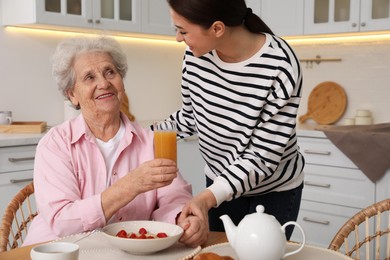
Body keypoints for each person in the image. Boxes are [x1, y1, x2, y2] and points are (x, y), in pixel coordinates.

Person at [23, 36, 207, 247]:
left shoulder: (150, 141)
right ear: (72, 95)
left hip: (124, 252)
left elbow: (173, 197)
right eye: (89, 77)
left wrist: (183, 220)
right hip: (59, 252)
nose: (104, 83)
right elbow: (62, 222)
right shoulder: (55, 144)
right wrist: (130, 186)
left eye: (110, 72)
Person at [167, 0, 305, 239]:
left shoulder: (280, 64)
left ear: (217, 29)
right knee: (220, 254)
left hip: (273, 190)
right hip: (219, 182)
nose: (179, 39)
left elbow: (262, 158)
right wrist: (137, 135)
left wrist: (208, 197)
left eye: (183, 31)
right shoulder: (194, 56)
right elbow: (189, 117)